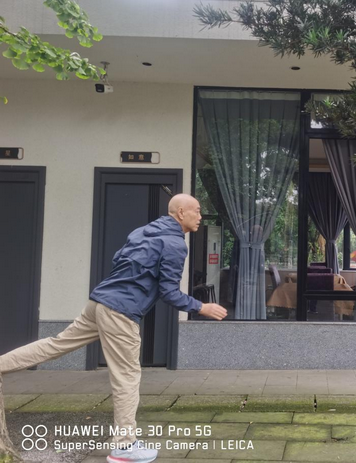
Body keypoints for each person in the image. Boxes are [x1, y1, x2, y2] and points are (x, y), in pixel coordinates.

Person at [0, 194, 227, 463]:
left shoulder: (142, 232)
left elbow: (118, 260)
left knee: (56, 344)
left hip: (98, 302)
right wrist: (201, 307)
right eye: (197, 211)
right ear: (180, 212)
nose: (200, 216)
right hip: (120, 313)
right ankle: (124, 447)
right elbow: (169, 292)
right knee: (127, 377)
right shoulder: (175, 243)